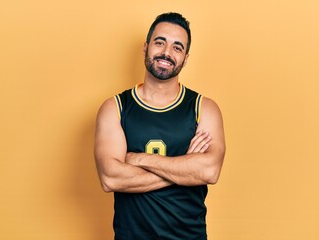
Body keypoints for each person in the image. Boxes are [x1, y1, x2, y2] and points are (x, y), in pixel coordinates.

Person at [94, 12, 225, 240]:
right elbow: (110, 178)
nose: (166, 52)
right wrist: (186, 165)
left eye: (177, 47)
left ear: (185, 58)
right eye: (160, 42)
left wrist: (138, 158)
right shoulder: (115, 107)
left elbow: (209, 171)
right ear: (146, 47)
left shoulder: (204, 108)